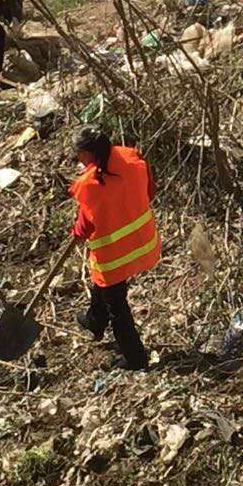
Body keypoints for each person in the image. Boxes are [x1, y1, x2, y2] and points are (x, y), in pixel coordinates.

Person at [68, 125, 160, 371]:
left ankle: (135, 357)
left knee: (116, 304)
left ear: (86, 154)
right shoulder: (131, 158)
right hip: (143, 240)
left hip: (115, 254)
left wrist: (76, 232)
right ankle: (94, 321)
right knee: (104, 284)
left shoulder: (89, 185)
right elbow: (151, 190)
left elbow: (85, 225)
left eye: (78, 155)